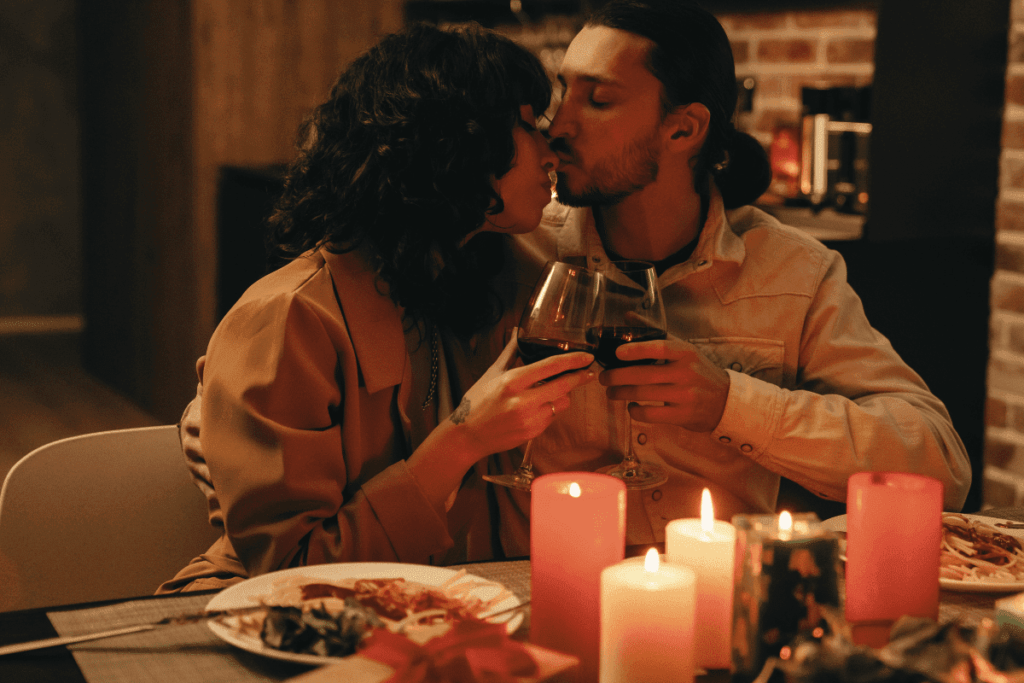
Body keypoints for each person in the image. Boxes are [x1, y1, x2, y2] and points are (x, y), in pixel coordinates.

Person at [484, 0, 972, 554]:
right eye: (561, 91)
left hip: (715, 607)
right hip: (530, 602)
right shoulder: (516, 249)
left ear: (684, 129)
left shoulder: (794, 272)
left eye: (597, 100)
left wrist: (730, 402)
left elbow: (940, 465)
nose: (559, 127)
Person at [158, 22, 595, 592]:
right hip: (274, 626)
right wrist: (466, 437)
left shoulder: (477, 271)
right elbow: (292, 573)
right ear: (452, 144)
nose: (550, 147)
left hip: (424, 604)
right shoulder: (288, 320)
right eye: (526, 124)